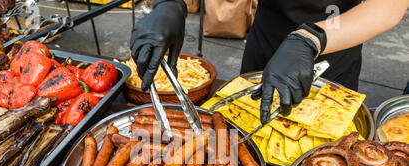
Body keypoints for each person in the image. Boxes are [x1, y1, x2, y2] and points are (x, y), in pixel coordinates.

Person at [130, 0, 409, 124]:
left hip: (334, 44)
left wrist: (310, 39)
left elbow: (388, 6)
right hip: (266, 38)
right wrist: (170, 2)